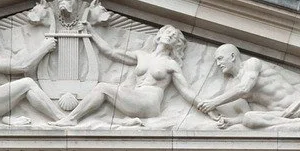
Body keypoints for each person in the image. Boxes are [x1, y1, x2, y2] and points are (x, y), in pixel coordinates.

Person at [51, 24, 197, 127]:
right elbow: (111, 52)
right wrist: (92, 32)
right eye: (168, 32)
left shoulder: (171, 64)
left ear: (176, 44)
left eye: (174, 36)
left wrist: (208, 108)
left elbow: (186, 91)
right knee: (103, 105)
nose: (171, 35)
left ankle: (71, 119)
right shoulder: (141, 55)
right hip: (134, 97)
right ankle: (124, 121)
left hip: (149, 102)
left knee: (102, 88)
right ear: (159, 36)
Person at [196, 44, 300, 128]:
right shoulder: (233, 85)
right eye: (216, 61)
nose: (218, 64)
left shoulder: (251, 64)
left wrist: (213, 102)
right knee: (250, 119)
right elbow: (248, 114)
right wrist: (231, 121)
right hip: (282, 114)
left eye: (220, 59)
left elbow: (245, 88)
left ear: (232, 56)